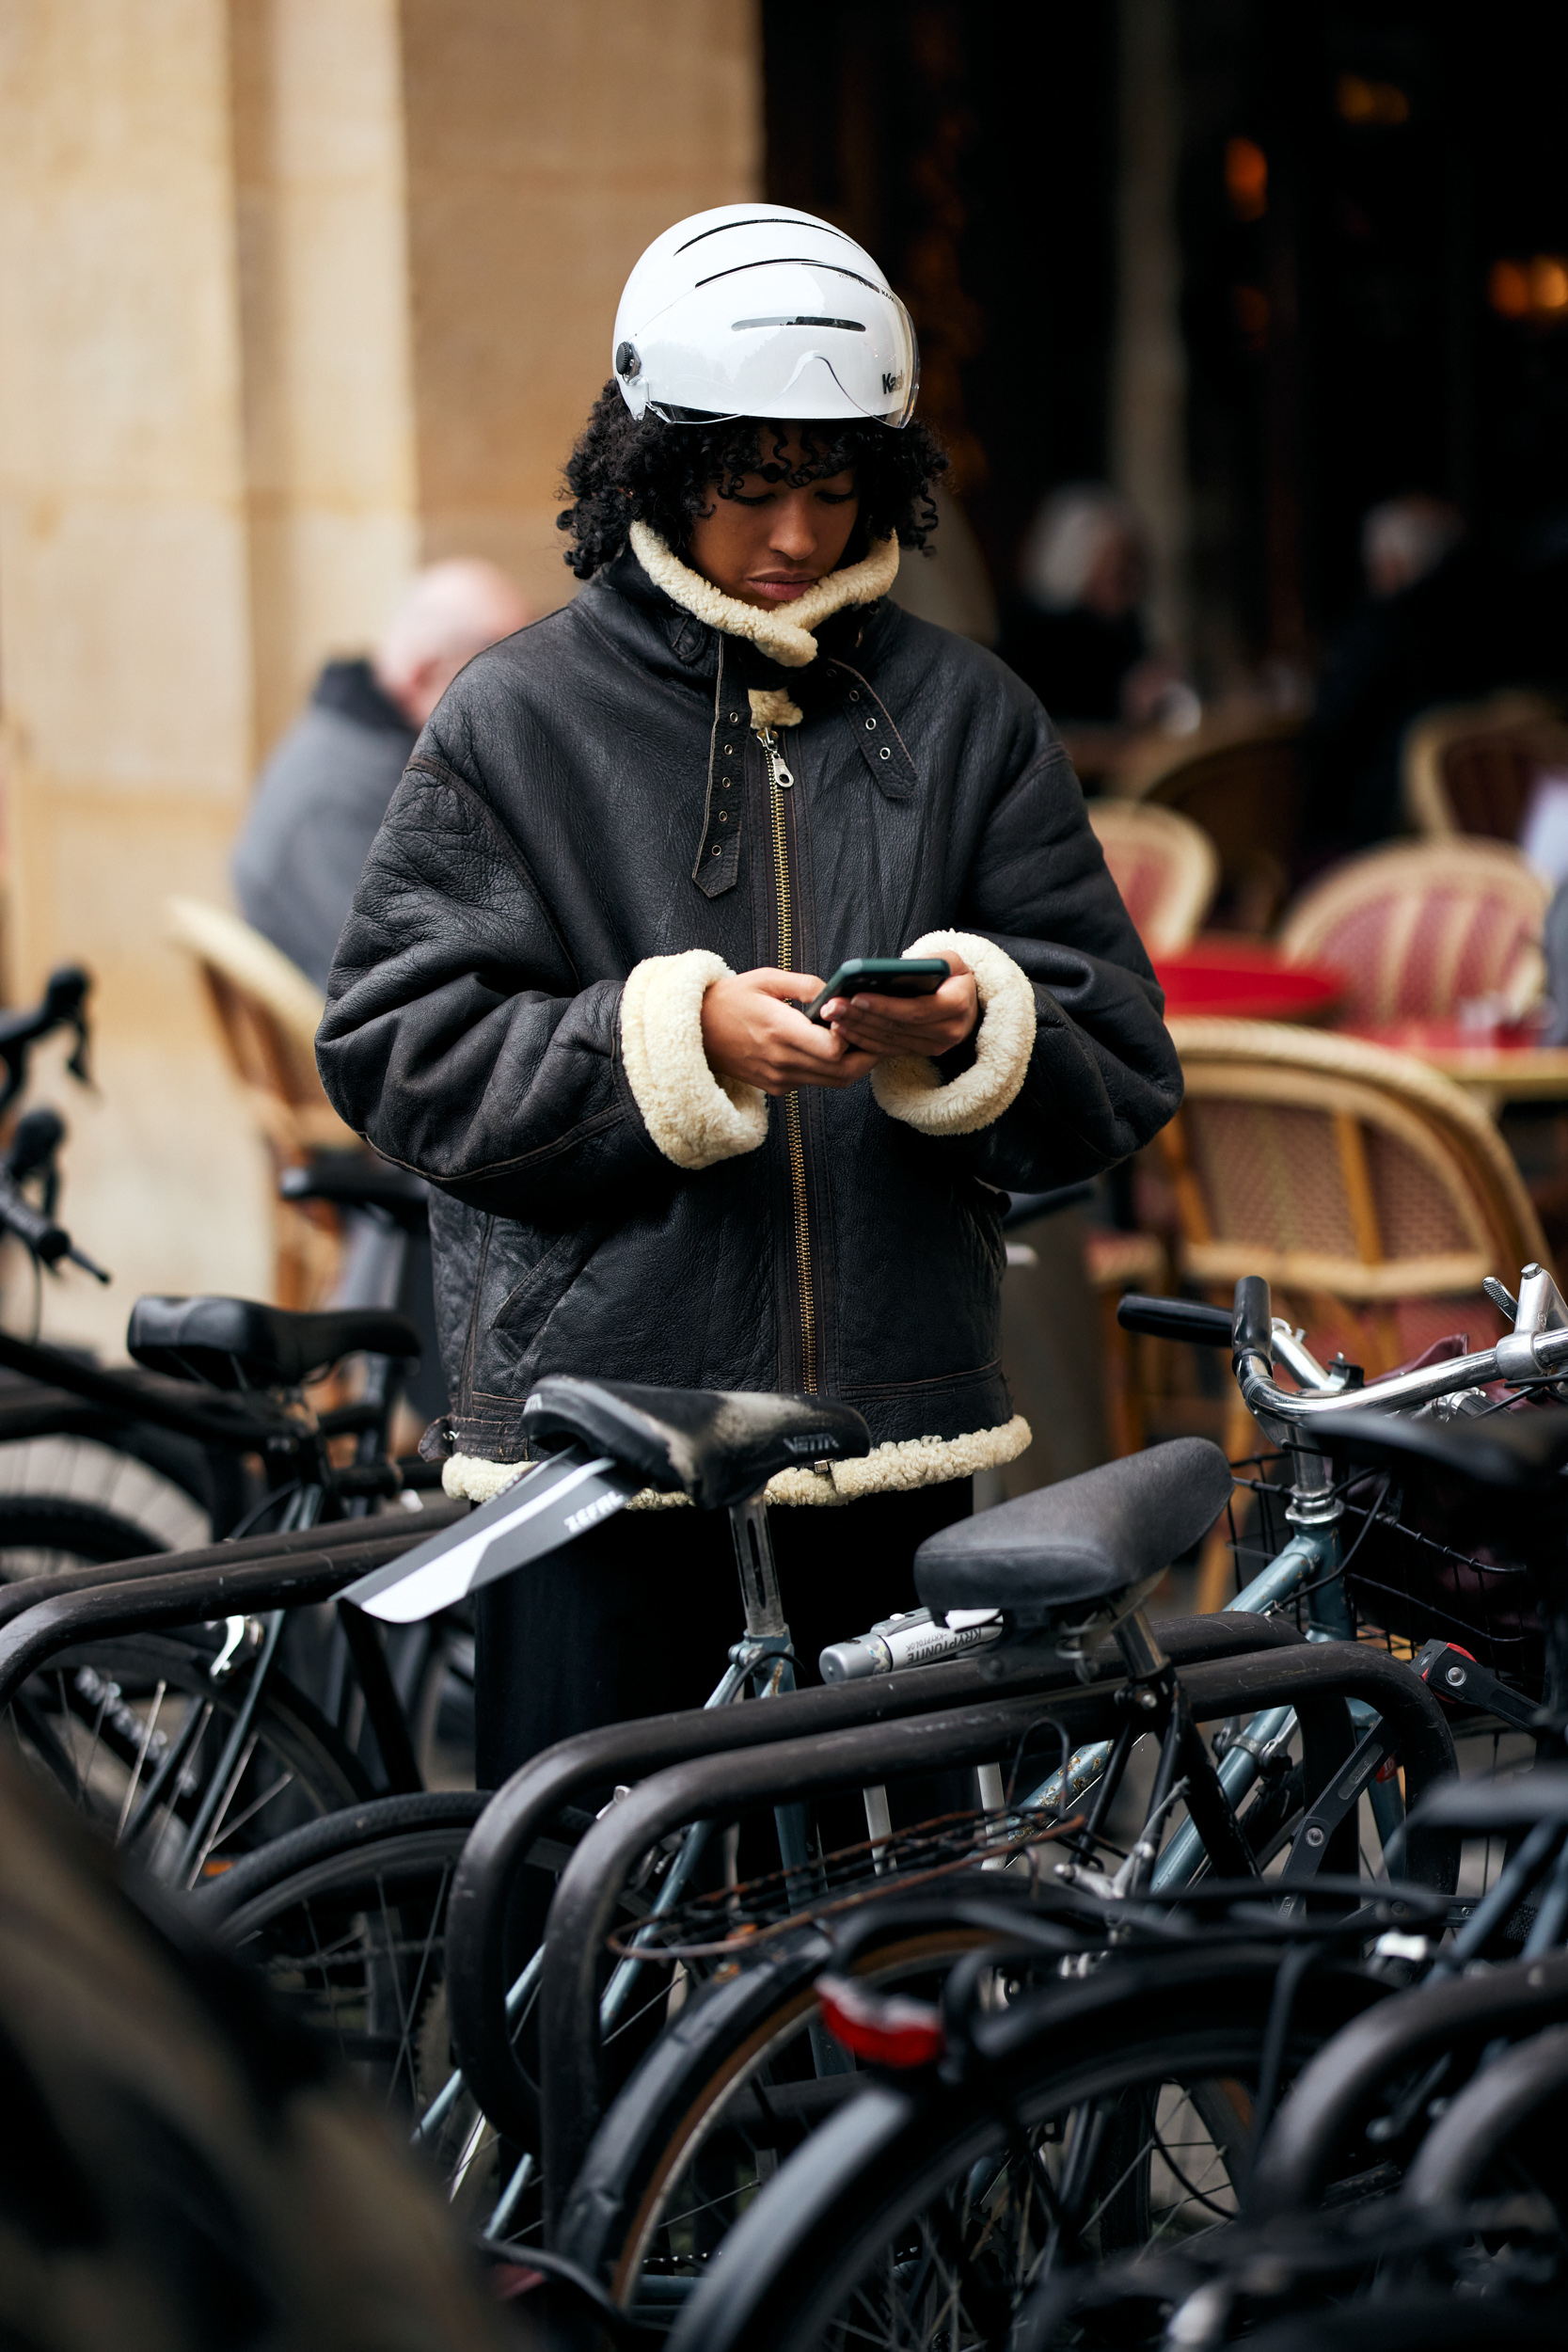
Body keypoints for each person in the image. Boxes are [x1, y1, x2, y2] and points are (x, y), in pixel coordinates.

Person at [316, 203, 1181, 1788]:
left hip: (887, 1439)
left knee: (881, 1949)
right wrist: (670, 1045)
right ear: (653, 468)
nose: (793, 533)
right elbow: (393, 1053)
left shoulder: (970, 715)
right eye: (748, 486)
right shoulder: (517, 718)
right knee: (596, 1938)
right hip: (602, 1456)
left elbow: (1120, 1061)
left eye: (832, 484)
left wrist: (975, 1026)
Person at [233, 560, 531, 990]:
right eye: (496, 681)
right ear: (425, 673)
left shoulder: (369, 746)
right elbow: (390, 975)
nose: (512, 707)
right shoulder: (336, 793)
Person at [1308, 494, 1508, 852]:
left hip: (1392, 827)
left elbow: (1333, 725)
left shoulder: (1386, 628)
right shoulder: (1491, 622)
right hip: (1481, 821)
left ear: (1391, 563)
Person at [996, 483, 1178, 725]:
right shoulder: (1035, 637)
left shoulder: (1124, 628)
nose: (1132, 583)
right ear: (1077, 564)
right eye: (1118, 572)